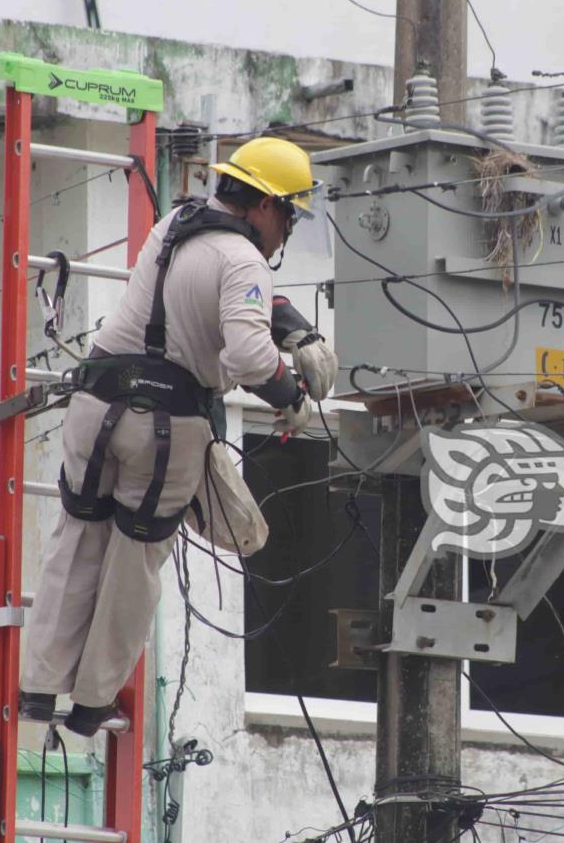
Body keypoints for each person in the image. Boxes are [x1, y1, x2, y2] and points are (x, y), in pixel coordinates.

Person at [17, 136, 337, 736]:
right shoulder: (244, 261)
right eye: (289, 214)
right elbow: (245, 355)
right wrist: (290, 397)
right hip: (163, 432)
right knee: (133, 559)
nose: (287, 230)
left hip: (96, 406)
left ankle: (38, 688)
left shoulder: (175, 225)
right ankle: (90, 703)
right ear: (266, 205)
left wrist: (291, 326)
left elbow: (212, 294)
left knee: (78, 536)